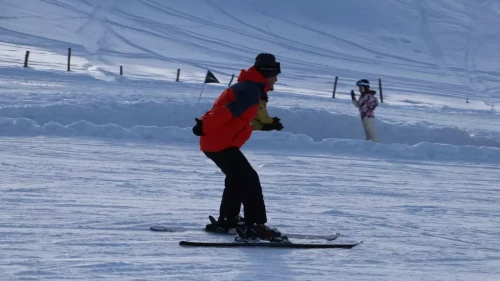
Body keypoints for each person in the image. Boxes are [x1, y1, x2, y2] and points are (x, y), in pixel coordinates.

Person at [191, 53, 284, 241]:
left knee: (237, 179)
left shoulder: (249, 87)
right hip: (220, 143)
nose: (276, 79)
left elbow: (240, 118)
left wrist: (267, 125)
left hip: (218, 142)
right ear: (267, 74)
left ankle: (228, 221)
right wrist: (204, 125)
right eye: (275, 75)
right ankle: (256, 226)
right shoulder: (250, 90)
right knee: (249, 179)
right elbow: (226, 112)